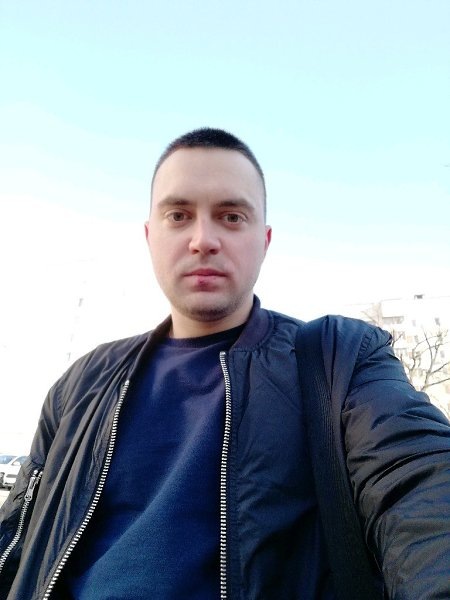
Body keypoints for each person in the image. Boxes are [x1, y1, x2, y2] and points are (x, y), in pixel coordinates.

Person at [0, 128, 449, 600]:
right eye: (178, 215)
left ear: (264, 240)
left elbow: (417, 482)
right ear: (150, 236)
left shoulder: (339, 362)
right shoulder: (82, 383)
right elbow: (16, 537)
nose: (202, 240)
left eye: (231, 217)